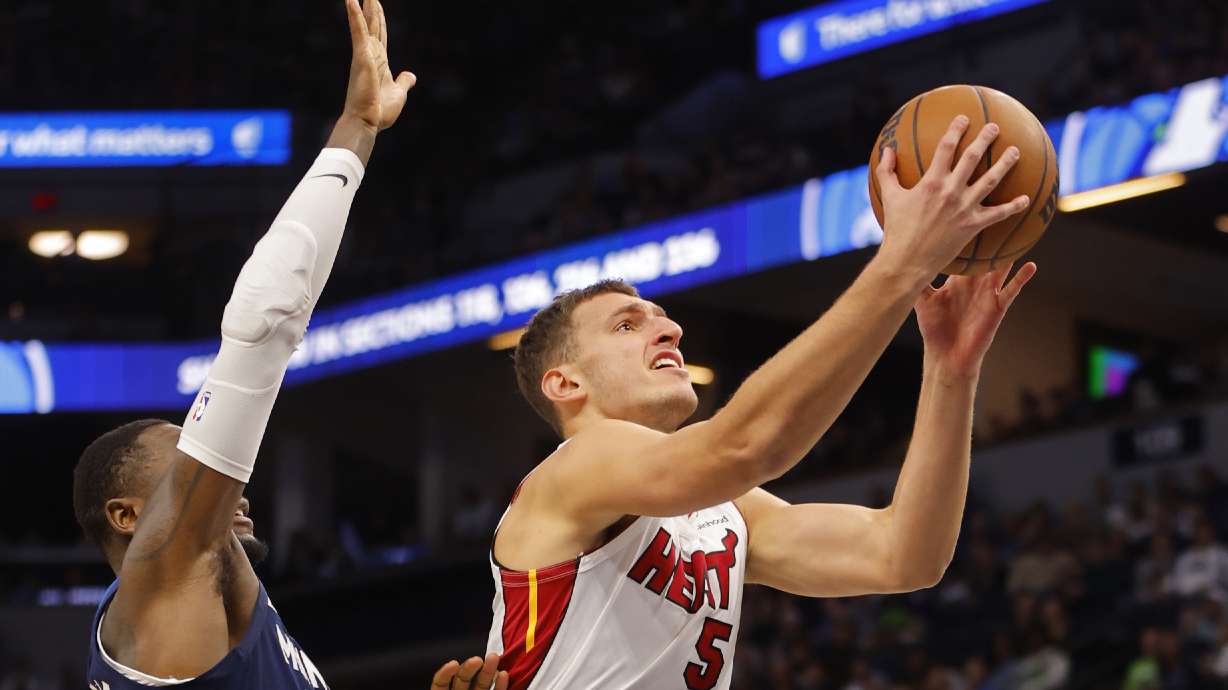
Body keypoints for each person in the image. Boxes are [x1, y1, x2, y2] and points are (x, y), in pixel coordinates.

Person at [487, 117, 1037, 688]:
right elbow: (746, 445)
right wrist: (903, 263)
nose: (670, 330)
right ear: (565, 384)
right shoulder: (575, 468)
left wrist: (950, 369)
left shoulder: (723, 514)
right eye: (626, 326)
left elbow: (903, 555)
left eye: (663, 318)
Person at [69, 2, 501, 688]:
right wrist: (355, 130)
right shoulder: (160, 581)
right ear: (126, 517)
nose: (221, 473)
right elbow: (264, 318)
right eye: (182, 457)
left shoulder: (211, 616)